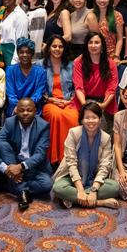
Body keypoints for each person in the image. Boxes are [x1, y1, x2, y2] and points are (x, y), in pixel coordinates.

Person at [51, 102, 119, 209]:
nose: (91, 121)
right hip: (72, 177)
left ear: (100, 119)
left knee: (114, 187)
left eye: (94, 117)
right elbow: (71, 163)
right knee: (58, 187)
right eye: (87, 118)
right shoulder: (73, 133)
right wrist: (80, 190)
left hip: (94, 179)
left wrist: (94, 190)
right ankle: (99, 202)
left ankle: (71, 199)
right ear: (82, 120)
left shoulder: (105, 138)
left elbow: (104, 166)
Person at [0, 98, 52, 210]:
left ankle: (12, 185)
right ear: (16, 111)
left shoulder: (43, 126)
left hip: (32, 166)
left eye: (29, 110)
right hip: (13, 161)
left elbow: (40, 154)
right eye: (21, 110)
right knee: (2, 145)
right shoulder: (10, 122)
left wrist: (20, 167)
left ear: (35, 111)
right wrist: (6, 169)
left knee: (47, 184)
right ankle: (23, 191)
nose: (25, 113)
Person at [41, 36, 78, 165]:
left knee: (73, 117)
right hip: (49, 102)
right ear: (49, 47)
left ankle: (70, 159)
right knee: (55, 115)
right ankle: (54, 160)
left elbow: (77, 87)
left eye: (60, 46)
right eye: (54, 46)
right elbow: (39, 89)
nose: (57, 49)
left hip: (68, 101)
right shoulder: (40, 65)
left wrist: (70, 100)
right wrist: (50, 99)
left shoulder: (71, 65)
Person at [73, 32, 118, 127]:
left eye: (97, 42)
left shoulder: (111, 64)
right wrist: (86, 106)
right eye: (90, 42)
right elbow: (79, 87)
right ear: (86, 45)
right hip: (84, 100)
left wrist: (104, 105)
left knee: (104, 126)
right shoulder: (78, 62)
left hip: (105, 102)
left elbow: (111, 89)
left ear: (102, 46)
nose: (93, 45)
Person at [5, 38, 46, 118]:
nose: (24, 55)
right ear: (17, 53)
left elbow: (38, 94)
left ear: (32, 54)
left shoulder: (41, 72)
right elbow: (11, 94)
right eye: (21, 52)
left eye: (28, 52)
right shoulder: (10, 70)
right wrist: (19, 107)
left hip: (33, 108)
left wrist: (25, 108)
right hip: (15, 108)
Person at [85, 0, 124, 65]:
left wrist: (116, 56)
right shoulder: (90, 15)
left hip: (111, 58)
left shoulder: (117, 15)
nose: (102, 0)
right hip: (92, 56)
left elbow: (120, 39)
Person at [0, 0, 29, 69]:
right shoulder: (1, 11)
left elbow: (21, 43)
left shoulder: (20, 15)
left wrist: (14, 64)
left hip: (11, 55)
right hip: (0, 55)